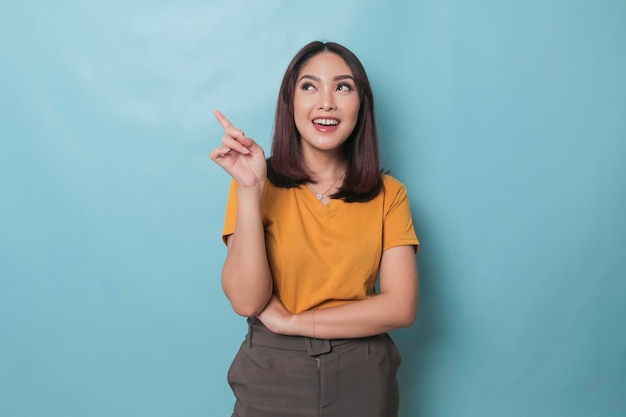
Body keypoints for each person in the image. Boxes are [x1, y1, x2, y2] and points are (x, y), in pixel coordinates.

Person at [209, 41, 420, 417]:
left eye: (343, 87)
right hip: (272, 371)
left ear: (361, 105)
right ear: (289, 103)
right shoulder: (255, 182)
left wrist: (293, 322)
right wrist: (250, 190)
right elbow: (245, 301)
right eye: (309, 86)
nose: (326, 102)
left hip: (363, 372)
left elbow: (401, 307)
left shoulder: (390, 195)